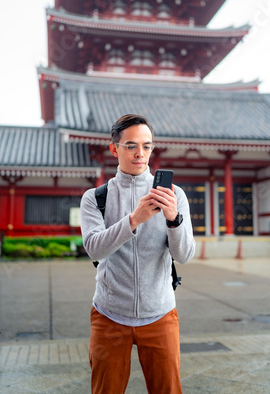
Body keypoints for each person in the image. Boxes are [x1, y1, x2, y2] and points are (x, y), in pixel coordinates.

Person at [80, 114, 195, 394]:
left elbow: (185, 255)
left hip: (160, 313)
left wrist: (173, 219)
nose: (140, 153)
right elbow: (94, 247)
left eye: (147, 146)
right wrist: (134, 219)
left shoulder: (174, 195)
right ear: (114, 148)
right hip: (109, 313)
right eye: (131, 145)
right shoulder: (95, 197)